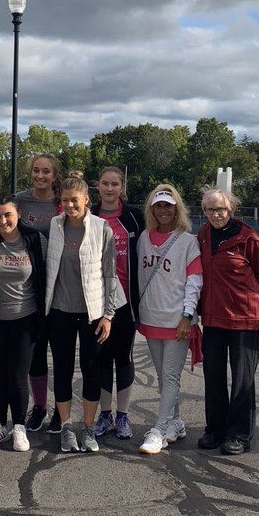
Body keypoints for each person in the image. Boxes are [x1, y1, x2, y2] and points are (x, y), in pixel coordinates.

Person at [45, 171, 125, 453]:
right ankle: (67, 427)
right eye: (65, 201)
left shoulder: (101, 228)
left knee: (92, 371)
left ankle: (88, 428)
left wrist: (108, 315)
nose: (69, 206)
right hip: (59, 311)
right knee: (63, 370)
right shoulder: (54, 226)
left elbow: (109, 275)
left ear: (86, 200)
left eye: (74, 200)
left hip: (91, 313)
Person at [0, 196, 47, 453]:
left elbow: (53, 272)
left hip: (27, 318)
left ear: (19, 214)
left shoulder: (35, 240)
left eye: (8, 215)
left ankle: (20, 426)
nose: (3, 221)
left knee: (17, 375)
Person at [197, 187, 259, 456]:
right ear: (204, 212)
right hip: (213, 316)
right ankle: (215, 429)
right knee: (213, 375)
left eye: (221, 209)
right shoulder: (203, 236)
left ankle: (239, 433)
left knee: (242, 378)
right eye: (210, 209)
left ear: (231, 210)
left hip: (244, 317)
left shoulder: (247, 237)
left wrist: (242, 300)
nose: (216, 214)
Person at [135, 185, 202, 455]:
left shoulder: (187, 241)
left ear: (177, 209)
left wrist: (188, 314)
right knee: (163, 376)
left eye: (168, 205)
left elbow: (194, 281)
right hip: (151, 316)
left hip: (177, 320)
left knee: (171, 375)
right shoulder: (143, 238)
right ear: (152, 209)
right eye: (159, 205)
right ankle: (176, 422)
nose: (164, 210)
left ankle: (160, 430)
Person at [91, 166, 144, 440]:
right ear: (97, 186)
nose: (110, 189)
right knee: (101, 358)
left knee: (123, 357)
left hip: (126, 302)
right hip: (97, 302)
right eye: (105, 183)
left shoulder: (134, 217)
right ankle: (104, 414)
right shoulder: (90, 217)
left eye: (115, 184)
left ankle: (122, 416)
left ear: (122, 187)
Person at [16, 155, 60, 431]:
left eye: (46, 171)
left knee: (63, 352)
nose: (40, 175)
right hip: (31, 286)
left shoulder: (62, 201)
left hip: (62, 284)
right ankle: (40, 406)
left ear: (55, 175)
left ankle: (61, 408)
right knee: (37, 352)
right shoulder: (19, 201)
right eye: (36, 170)